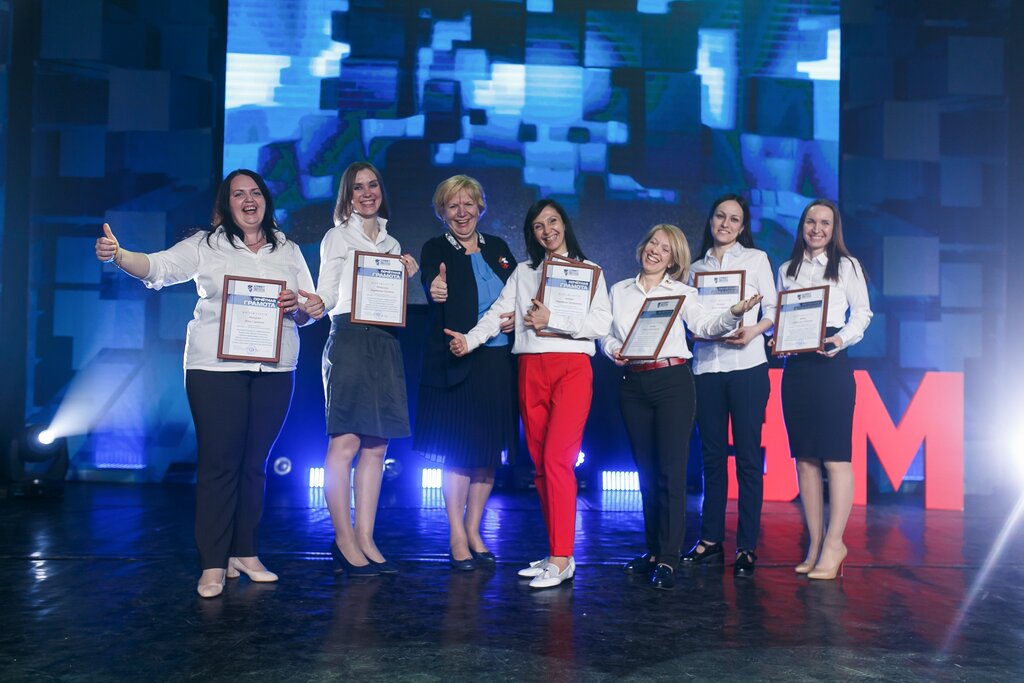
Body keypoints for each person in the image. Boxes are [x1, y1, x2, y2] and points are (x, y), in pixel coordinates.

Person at [93, 169, 316, 598]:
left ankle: (244, 552)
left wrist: (302, 306)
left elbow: (308, 307)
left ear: (266, 200)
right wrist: (119, 255)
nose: (249, 200)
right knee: (220, 465)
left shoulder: (287, 249)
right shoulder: (205, 245)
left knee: (254, 464)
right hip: (214, 368)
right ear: (226, 204)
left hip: (274, 368)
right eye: (238, 194)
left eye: (255, 193)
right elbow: (158, 267)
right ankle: (213, 563)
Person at [446, 199, 611, 590]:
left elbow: (602, 324)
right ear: (532, 234)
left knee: (557, 461)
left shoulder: (590, 271)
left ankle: (562, 557)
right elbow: (497, 313)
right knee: (540, 467)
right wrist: (470, 340)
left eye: (552, 221)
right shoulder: (524, 272)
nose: (547, 230)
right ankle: (556, 553)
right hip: (530, 369)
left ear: (564, 224)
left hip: (572, 369)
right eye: (538, 226)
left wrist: (554, 320)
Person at [601, 224, 762, 590]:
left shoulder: (683, 293)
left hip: (672, 383)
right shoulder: (619, 291)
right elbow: (606, 335)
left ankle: (669, 558)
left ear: (673, 260)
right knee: (645, 472)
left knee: (671, 472)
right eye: (652, 243)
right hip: (633, 383)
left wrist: (734, 312)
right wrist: (612, 350)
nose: (655, 251)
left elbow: (706, 325)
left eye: (665, 248)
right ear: (643, 246)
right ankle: (653, 551)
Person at [313, 162, 418, 577]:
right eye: (358, 187)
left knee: (377, 446)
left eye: (373, 185)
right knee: (345, 444)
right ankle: (343, 539)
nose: (367, 193)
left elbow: (388, 301)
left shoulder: (393, 244)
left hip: (385, 340)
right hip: (351, 337)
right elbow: (326, 290)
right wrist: (315, 303)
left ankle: (366, 536)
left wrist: (407, 277)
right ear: (348, 195)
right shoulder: (337, 236)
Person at [414, 175, 519, 571]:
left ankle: (475, 531)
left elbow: (516, 293)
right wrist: (434, 288)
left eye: (468, 204)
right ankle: (456, 534)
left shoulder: (499, 248)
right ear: (442, 212)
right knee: (458, 452)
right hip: (455, 359)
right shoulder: (436, 247)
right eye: (452, 206)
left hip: (497, 363)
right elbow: (431, 280)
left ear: (480, 207)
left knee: (487, 454)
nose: (462, 212)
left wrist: (516, 318)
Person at [776, 198, 872, 580]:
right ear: (802, 226)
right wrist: (776, 337)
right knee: (805, 459)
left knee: (835, 457)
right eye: (811, 222)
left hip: (831, 362)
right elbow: (781, 317)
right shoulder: (786, 270)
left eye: (825, 223)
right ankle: (815, 544)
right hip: (797, 367)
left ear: (834, 230)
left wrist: (840, 339)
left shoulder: (846, 266)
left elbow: (862, 313)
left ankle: (835, 544)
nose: (817, 229)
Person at [682, 195, 777, 576]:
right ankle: (710, 539)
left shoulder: (757, 260)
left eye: (734, 219)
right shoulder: (695, 268)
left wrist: (753, 331)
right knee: (712, 457)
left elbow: (773, 310)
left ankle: (747, 545)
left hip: (747, 366)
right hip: (706, 367)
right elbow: (689, 317)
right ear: (710, 220)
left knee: (749, 458)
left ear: (743, 226)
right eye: (720, 216)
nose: (725, 223)